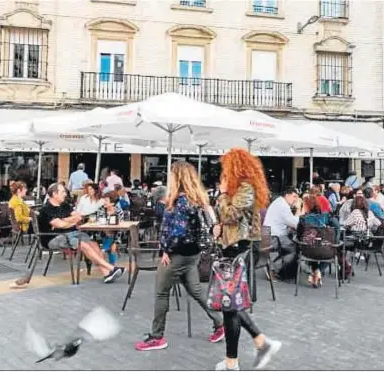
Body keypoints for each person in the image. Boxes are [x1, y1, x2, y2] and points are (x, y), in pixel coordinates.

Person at [135, 161, 225, 352]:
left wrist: (166, 250)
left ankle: (156, 337)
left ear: (177, 178)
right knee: (195, 290)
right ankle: (219, 323)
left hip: (177, 254)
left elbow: (177, 232)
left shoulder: (181, 203)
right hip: (193, 254)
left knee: (161, 292)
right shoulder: (198, 200)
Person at [213, 148, 282, 371]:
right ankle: (256, 346)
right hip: (232, 248)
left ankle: (240, 356)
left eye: (226, 166)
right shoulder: (241, 188)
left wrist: (222, 194)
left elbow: (230, 214)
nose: (223, 171)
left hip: (238, 250)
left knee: (230, 305)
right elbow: (229, 220)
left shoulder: (245, 188)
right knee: (230, 305)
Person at [38, 183, 125, 283]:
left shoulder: (65, 205)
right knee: (83, 245)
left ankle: (107, 274)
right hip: (53, 238)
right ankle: (112, 268)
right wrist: (69, 221)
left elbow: (78, 217)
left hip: (72, 233)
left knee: (94, 244)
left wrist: (65, 220)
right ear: (54, 194)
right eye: (62, 192)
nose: (65, 194)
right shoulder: (46, 209)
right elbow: (61, 225)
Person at [263, 187, 301, 279]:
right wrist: (299, 209)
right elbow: (295, 223)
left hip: (266, 232)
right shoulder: (283, 206)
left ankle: (276, 269)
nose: (295, 199)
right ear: (287, 195)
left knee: (290, 244)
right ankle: (274, 269)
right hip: (273, 235)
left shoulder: (279, 202)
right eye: (294, 196)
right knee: (294, 249)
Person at [96, 191, 124, 265]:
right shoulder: (101, 209)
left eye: (106, 200)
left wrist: (115, 242)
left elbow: (120, 229)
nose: (104, 202)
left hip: (115, 236)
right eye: (104, 200)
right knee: (108, 237)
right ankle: (112, 266)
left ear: (112, 203)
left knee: (111, 244)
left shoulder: (119, 211)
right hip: (101, 235)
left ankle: (105, 250)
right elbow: (100, 223)